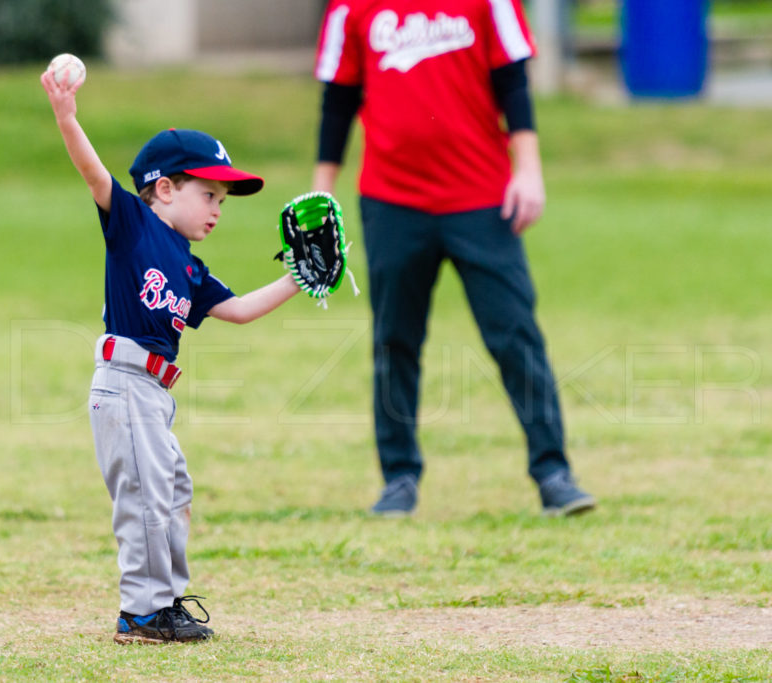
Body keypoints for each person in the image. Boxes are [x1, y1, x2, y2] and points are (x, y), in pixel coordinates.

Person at [41, 69, 301, 644]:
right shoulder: (133, 224)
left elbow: (236, 309)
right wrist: (67, 116)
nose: (217, 207)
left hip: (154, 395)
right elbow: (92, 172)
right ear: (164, 189)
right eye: (208, 194)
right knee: (145, 499)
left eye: (221, 199)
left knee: (172, 493)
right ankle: (141, 611)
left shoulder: (189, 265)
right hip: (124, 383)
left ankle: (164, 603)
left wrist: (297, 280)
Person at [311, 0, 595, 517]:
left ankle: (554, 473)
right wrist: (320, 197)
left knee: (515, 334)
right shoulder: (351, 8)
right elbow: (338, 100)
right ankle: (398, 477)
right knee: (395, 339)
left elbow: (513, 82)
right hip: (392, 200)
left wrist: (528, 169)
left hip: (482, 198)